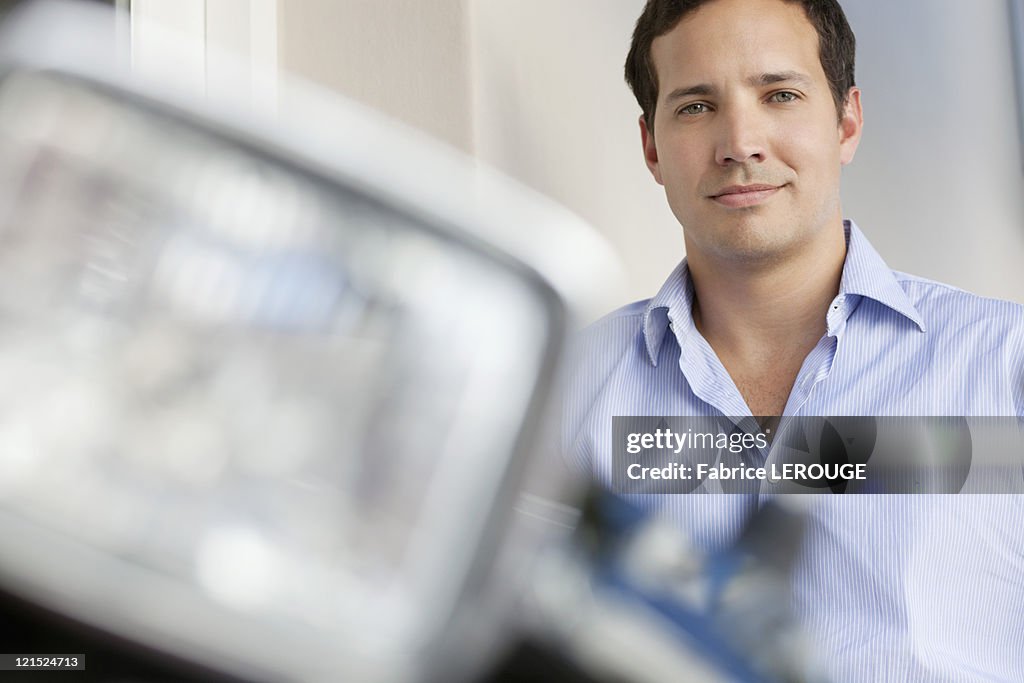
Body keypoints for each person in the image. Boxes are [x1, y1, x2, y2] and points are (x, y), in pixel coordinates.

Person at [562, 0, 1024, 680]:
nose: (741, 142)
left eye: (779, 94)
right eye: (696, 106)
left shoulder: (1005, 368)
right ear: (651, 148)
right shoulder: (563, 388)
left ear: (847, 120)